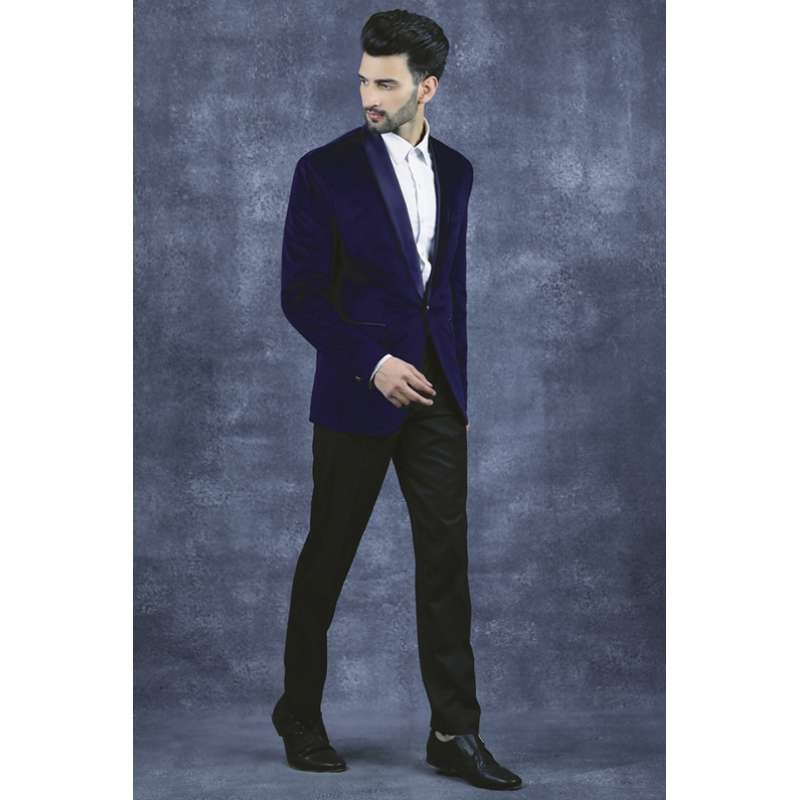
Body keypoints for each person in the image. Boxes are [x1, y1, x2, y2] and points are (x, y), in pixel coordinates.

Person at [272, 9, 522, 791]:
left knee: (446, 565)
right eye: (363, 80)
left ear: (427, 88)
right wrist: (373, 363)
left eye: (385, 83)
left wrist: (459, 396)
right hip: (358, 391)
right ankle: (299, 715)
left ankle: (454, 732)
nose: (368, 96)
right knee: (328, 557)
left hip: (436, 398)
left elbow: (449, 296)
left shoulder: (459, 171)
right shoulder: (324, 170)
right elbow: (301, 295)